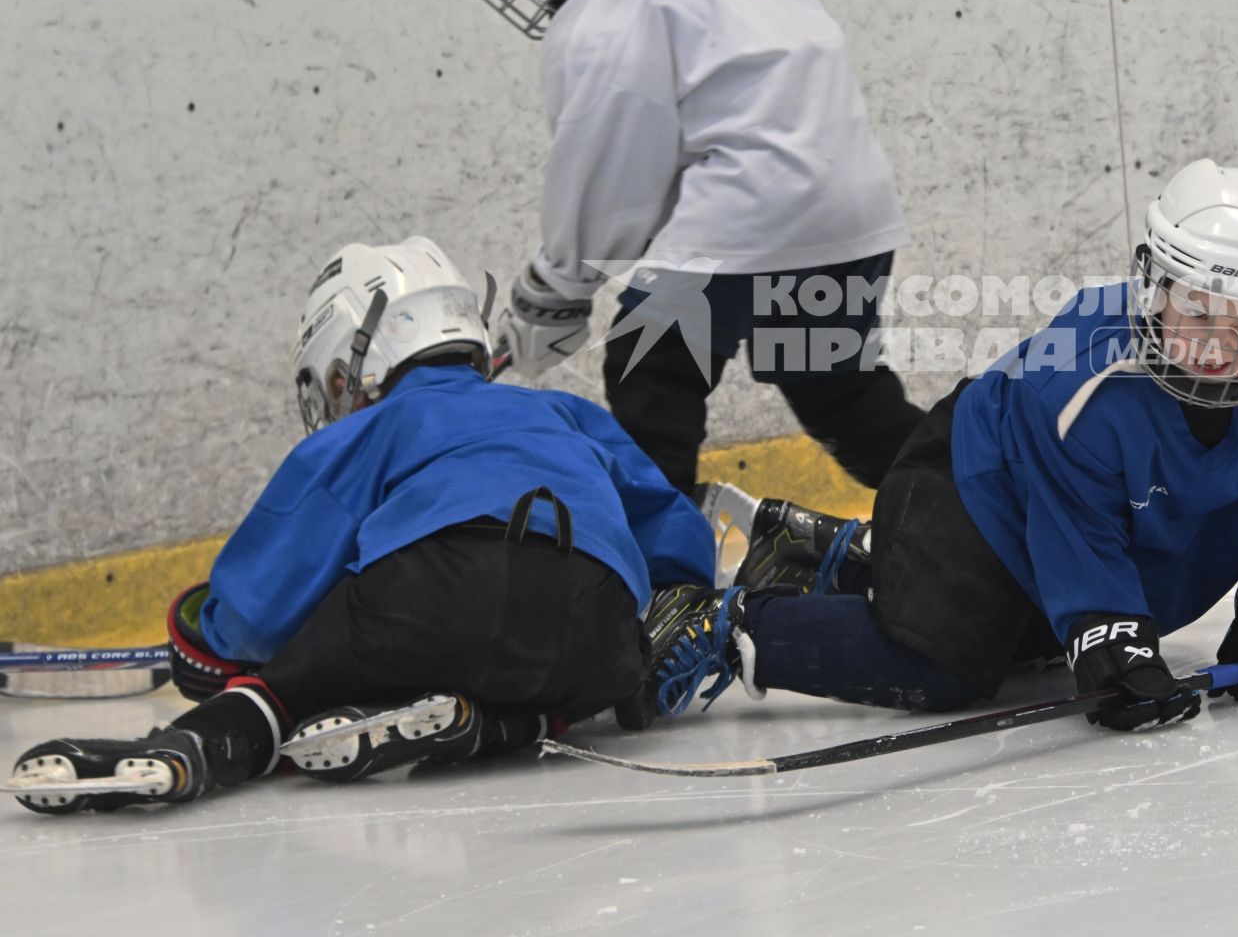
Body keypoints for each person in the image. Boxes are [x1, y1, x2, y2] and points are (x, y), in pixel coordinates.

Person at [628, 160, 1238, 733]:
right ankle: (721, 621)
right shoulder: (1082, 381)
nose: (1215, 344)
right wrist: (1108, 634)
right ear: (1154, 286)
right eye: (1196, 309)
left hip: (1084, 531)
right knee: (945, 661)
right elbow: (1077, 532)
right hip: (977, 485)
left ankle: (828, 556)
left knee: (1023, 649)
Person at [6, 238, 714, 814]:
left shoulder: (378, 424)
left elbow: (260, 606)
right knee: (577, 672)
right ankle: (508, 722)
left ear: (348, 366)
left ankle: (208, 740)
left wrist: (208, 637)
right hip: (596, 618)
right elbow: (679, 538)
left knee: (305, 665)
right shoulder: (563, 413)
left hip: (434, 591)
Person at [441, 0, 922, 498]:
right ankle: (992, 522)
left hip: (753, 210)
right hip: (852, 213)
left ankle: (667, 588)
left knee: (650, 374)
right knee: (842, 396)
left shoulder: (602, 17)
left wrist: (556, 289)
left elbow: (615, 180)